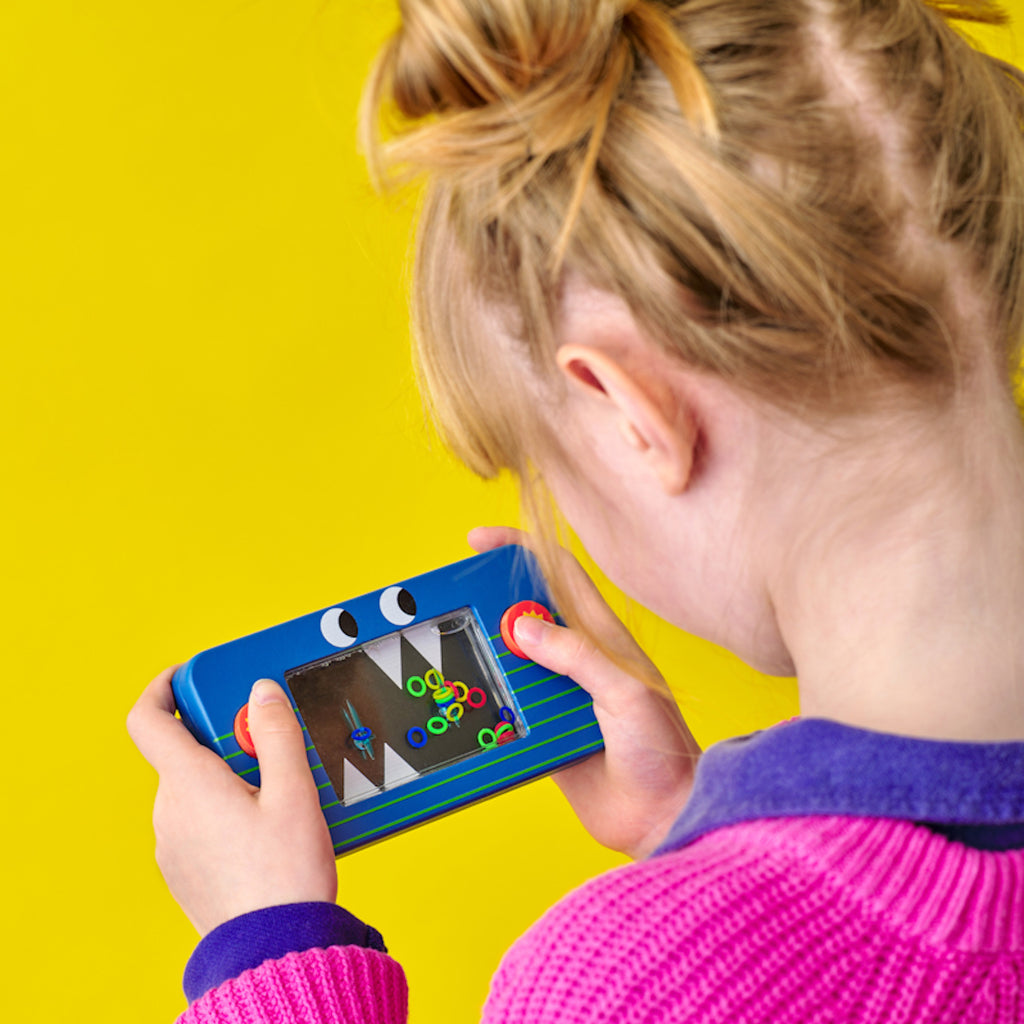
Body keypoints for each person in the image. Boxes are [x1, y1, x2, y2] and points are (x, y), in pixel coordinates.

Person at [127, 0, 1024, 1020]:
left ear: (630, 412)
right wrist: (707, 828)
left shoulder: (626, 982)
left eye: (542, 467)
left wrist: (268, 946)